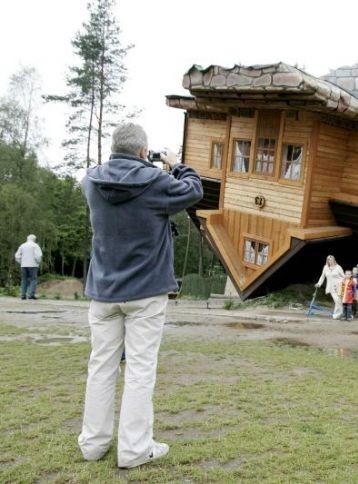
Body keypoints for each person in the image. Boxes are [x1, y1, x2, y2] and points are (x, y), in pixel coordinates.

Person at [78, 123, 203, 469]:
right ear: (144, 152)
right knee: (140, 369)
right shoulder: (155, 182)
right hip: (146, 292)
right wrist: (176, 163)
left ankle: (93, 443)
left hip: (103, 292)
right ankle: (134, 450)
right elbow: (193, 190)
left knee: (100, 367)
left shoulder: (90, 181)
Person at [316, 255, 344, 320]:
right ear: (327, 260)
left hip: (339, 286)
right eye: (328, 260)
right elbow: (322, 276)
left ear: (334, 260)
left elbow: (343, 276)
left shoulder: (338, 267)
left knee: (339, 301)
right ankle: (339, 314)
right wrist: (319, 283)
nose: (330, 261)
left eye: (331, 259)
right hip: (331, 287)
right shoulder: (325, 267)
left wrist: (344, 284)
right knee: (337, 300)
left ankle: (337, 314)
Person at [14, 234, 43, 300]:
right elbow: (38, 256)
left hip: (24, 265)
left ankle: (23, 295)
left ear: (27, 239)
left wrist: (21, 262)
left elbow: (17, 256)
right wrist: (38, 262)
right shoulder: (35, 246)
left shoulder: (22, 245)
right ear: (34, 239)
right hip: (33, 265)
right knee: (33, 279)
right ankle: (31, 295)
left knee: (24, 279)